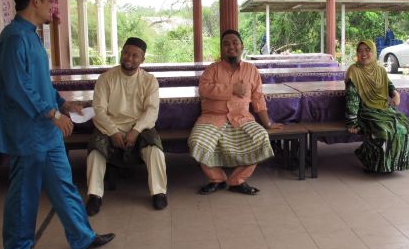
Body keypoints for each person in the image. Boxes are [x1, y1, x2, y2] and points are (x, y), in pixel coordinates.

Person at [0, 0, 114, 249]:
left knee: (63, 184)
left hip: (46, 131)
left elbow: (40, 83)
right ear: (35, 1)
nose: (52, 6)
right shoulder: (15, 37)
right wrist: (52, 114)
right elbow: (18, 86)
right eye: (49, 0)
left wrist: (62, 104)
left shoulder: (32, 35)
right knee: (25, 191)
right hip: (28, 131)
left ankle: (82, 236)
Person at [189, 29, 283, 195]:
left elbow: (258, 98)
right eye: (226, 44)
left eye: (235, 43)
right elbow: (203, 90)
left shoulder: (251, 70)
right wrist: (232, 89)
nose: (231, 47)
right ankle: (217, 179)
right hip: (212, 118)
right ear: (221, 49)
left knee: (261, 138)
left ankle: (237, 180)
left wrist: (267, 122)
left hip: (241, 118)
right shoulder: (212, 69)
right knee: (197, 141)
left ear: (242, 46)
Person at [85, 37, 167, 215]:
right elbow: (98, 110)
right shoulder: (106, 78)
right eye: (126, 53)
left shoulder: (149, 80)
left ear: (142, 59)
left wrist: (136, 131)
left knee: (155, 149)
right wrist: (113, 132)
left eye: (135, 55)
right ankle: (94, 195)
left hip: (140, 126)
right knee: (95, 152)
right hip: (109, 125)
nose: (129, 58)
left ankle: (159, 192)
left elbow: (151, 111)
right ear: (121, 53)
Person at [346, 40, 409, 173]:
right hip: (365, 111)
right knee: (384, 130)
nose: (363, 54)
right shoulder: (353, 71)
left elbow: (389, 85)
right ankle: (373, 162)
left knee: (406, 125)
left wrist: (395, 94)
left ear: (373, 52)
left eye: (367, 50)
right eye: (360, 51)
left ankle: (394, 163)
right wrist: (352, 122)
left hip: (384, 109)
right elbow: (351, 99)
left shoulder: (381, 70)